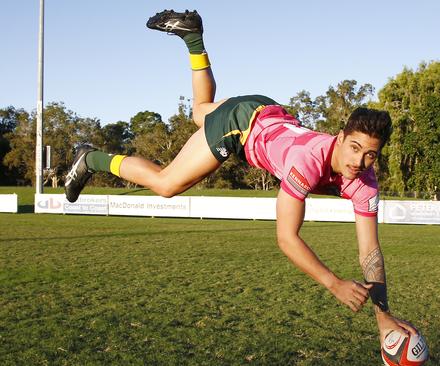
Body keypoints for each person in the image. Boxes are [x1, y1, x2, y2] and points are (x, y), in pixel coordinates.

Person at [65, 9, 416, 343]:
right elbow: (286, 238)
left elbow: (370, 252)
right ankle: (90, 158)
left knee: (200, 112)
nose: (359, 160)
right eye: (354, 147)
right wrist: (333, 283)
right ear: (340, 138)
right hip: (242, 126)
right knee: (167, 183)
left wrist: (383, 314)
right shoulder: (307, 162)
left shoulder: (366, 183)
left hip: (266, 110)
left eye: (370, 154)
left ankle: (193, 39)